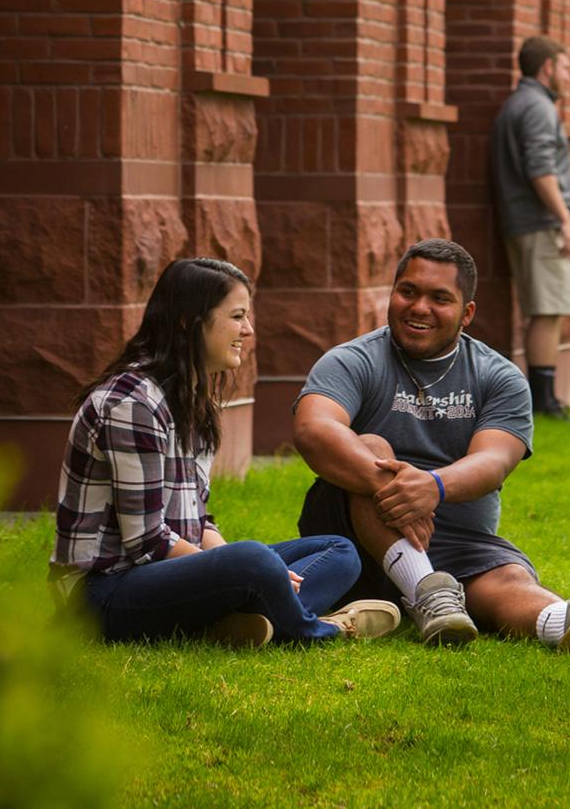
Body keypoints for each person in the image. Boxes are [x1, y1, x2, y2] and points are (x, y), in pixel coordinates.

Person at [294, 238, 570, 651]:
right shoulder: (353, 360)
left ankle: (564, 622)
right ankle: (426, 591)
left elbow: (495, 459)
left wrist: (433, 487)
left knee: (507, 579)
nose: (419, 307)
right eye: (408, 292)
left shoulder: (498, 376)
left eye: (439, 298)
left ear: (467, 313)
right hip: (352, 539)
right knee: (372, 446)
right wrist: (391, 490)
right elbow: (314, 429)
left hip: (456, 541)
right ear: (392, 294)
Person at [49, 258, 400, 647]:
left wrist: (241, 566)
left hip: (165, 576)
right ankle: (323, 630)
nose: (248, 330)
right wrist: (247, 568)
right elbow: (145, 541)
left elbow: (197, 519)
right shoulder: (130, 403)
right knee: (253, 560)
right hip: (103, 592)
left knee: (339, 550)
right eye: (236, 316)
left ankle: (230, 625)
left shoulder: (191, 398)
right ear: (189, 321)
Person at [489, 36, 570, 418]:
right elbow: (538, 171)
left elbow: (539, 167)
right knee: (548, 309)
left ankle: (544, 397)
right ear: (548, 68)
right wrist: (566, 221)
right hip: (540, 223)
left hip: (525, 220)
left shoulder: (519, 104)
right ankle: (544, 402)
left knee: (546, 307)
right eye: (566, 68)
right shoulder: (538, 107)